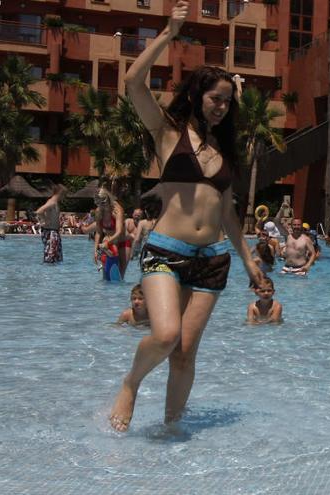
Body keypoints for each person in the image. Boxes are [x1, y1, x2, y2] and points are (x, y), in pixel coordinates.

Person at [108, 0, 265, 432]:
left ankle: (171, 429)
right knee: (164, 336)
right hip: (166, 251)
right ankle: (130, 384)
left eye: (228, 102)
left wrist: (250, 260)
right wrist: (168, 33)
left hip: (212, 260)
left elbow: (229, 213)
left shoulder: (225, 152)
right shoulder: (167, 133)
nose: (222, 107)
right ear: (198, 94)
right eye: (217, 98)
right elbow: (133, 81)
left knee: (184, 352)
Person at [93, 188, 128, 281]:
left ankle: (118, 294)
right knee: (106, 275)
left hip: (123, 241)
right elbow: (98, 232)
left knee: (120, 274)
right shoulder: (98, 211)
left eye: (103, 203)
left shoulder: (117, 210)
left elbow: (119, 231)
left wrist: (107, 242)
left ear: (108, 199)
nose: (101, 206)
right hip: (109, 243)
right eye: (98, 204)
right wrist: (95, 250)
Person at [35, 184, 67, 263]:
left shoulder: (54, 202)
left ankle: (53, 274)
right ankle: (49, 274)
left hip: (53, 232)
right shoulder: (52, 202)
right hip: (51, 232)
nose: (65, 197)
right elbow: (39, 211)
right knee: (51, 257)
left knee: (56, 258)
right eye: (64, 194)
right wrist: (45, 220)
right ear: (60, 193)